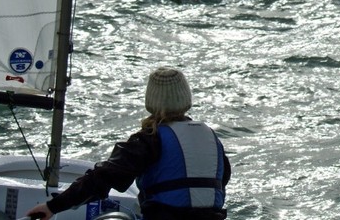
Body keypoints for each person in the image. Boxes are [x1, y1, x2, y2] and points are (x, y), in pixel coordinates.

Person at [22, 67, 231, 219]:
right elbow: (219, 181)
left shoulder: (150, 138)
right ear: (186, 99)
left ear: (151, 101)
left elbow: (101, 178)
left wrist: (52, 207)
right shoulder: (211, 138)